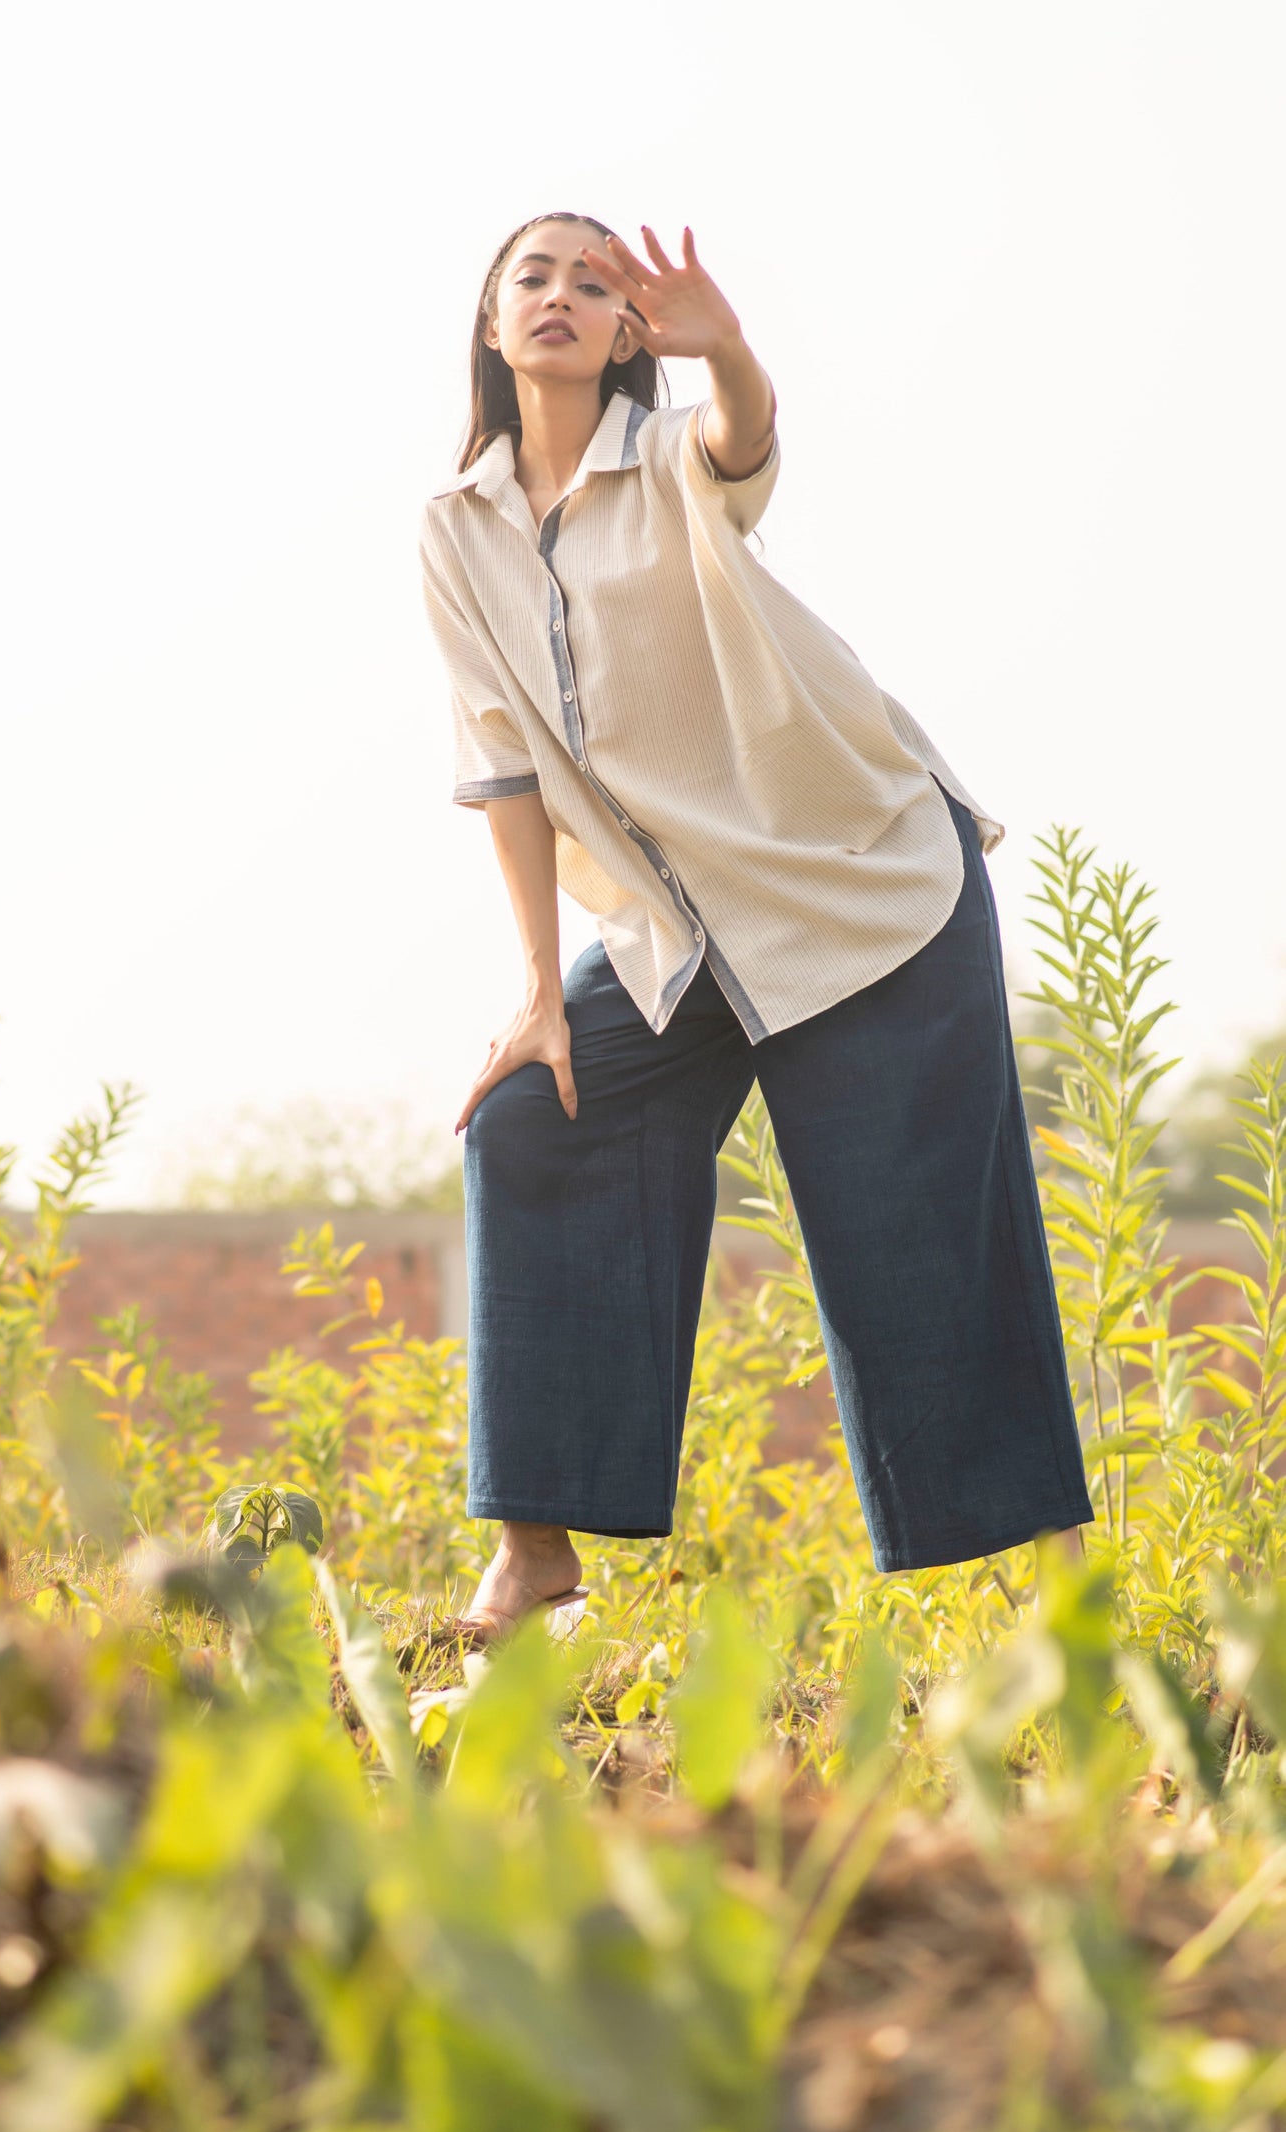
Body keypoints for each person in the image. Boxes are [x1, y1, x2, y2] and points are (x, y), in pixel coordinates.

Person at [419, 211, 1094, 1644]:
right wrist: (540, 989)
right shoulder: (451, 531)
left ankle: (1063, 1607)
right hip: (682, 938)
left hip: (860, 888)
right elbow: (501, 768)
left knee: (917, 1241)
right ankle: (536, 1551)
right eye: (530, 276)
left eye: (594, 283)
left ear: (624, 335)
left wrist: (721, 346)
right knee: (531, 1120)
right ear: (490, 325)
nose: (560, 296)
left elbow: (739, 440)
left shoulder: (666, 459)